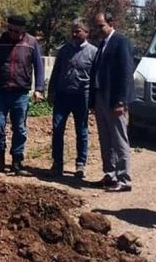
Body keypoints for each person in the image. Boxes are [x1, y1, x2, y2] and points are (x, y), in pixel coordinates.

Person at [0, 15, 45, 175]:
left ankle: (17, 162)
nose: (12, 33)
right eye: (9, 29)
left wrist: (39, 88)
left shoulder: (31, 43)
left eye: (16, 31)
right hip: (0, 91)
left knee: (19, 128)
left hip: (20, 93)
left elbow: (39, 67)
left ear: (23, 30)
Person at [89, 11, 135, 192]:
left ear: (111, 23)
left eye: (101, 26)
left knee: (119, 140)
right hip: (102, 98)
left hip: (115, 100)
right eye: (97, 26)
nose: (98, 29)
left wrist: (121, 101)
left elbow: (125, 73)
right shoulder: (102, 44)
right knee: (106, 139)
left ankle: (124, 179)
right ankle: (110, 174)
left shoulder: (121, 42)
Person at [47, 19, 97, 178]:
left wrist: (94, 100)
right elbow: (56, 72)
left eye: (78, 31)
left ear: (86, 32)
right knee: (57, 129)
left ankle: (80, 164)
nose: (74, 34)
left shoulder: (93, 52)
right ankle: (57, 164)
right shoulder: (64, 50)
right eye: (73, 31)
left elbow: (96, 78)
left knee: (81, 131)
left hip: (82, 97)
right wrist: (51, 92)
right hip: (62, 95)